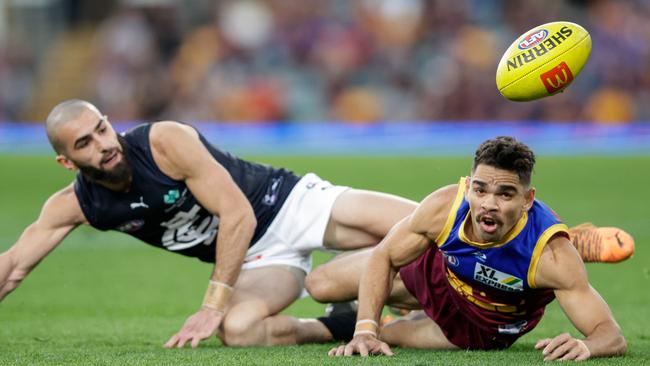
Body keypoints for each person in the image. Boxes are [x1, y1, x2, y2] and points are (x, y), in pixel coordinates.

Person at [0, 100, 631, 350]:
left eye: (103, 129)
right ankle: (379, 318)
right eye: (86, 143)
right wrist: (231, 304)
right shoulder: (77, 205)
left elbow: (237, 213)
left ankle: (559, 243)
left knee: (433, 219)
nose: (104, 146)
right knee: (246, 334)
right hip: (254, 259)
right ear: (66, 159)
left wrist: (210, 300)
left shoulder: (162, 140)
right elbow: (17, 261)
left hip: (287, 202)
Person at [322, 136, 628, 361]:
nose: (489, 204)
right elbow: (385, 257)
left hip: (480, 324)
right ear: (469, 186)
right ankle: (394, 304)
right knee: (320, 285)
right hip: (442, 274)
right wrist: (364, 328)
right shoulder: (446, 206)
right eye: (480, 190)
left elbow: (610, 333)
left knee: (389, 335)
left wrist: (588, 345)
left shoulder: (550, 256)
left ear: (528, 199)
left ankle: (396, 312)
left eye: (506, 194)